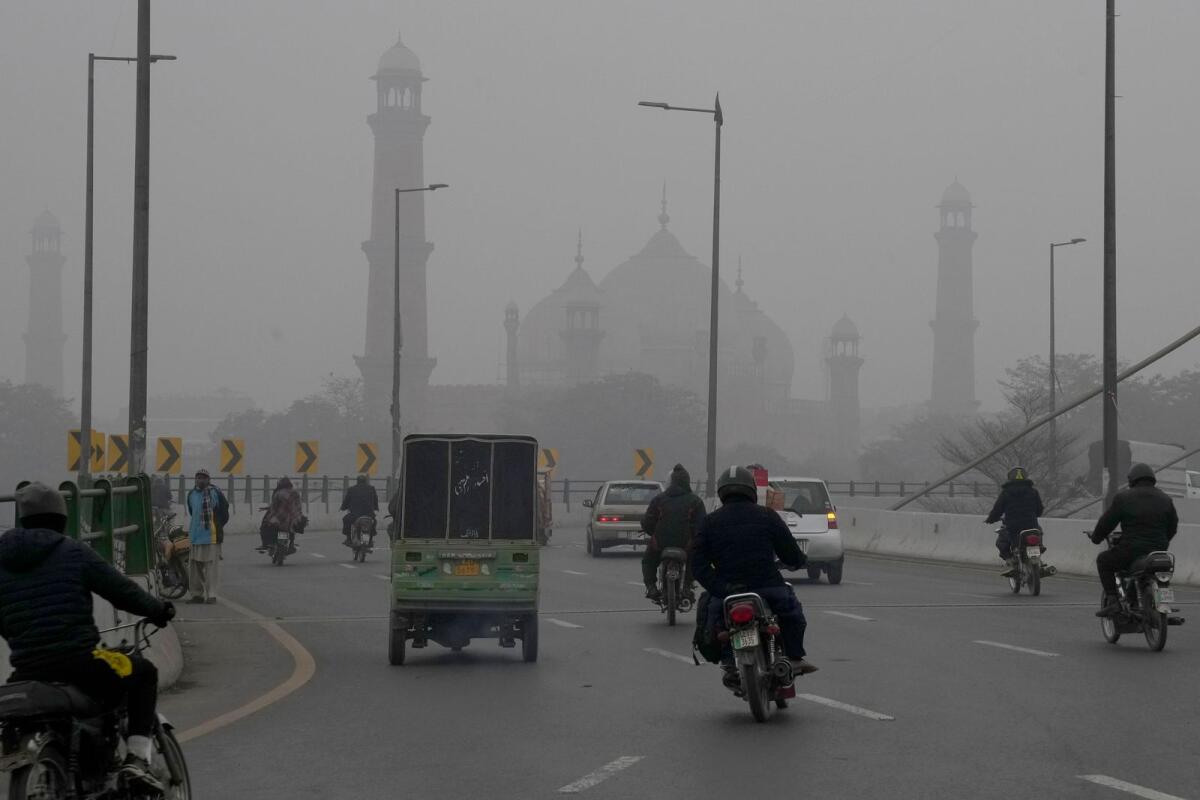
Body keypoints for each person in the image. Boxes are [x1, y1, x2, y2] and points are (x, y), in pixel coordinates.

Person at [0, 482, 175, 793]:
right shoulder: (73, 551)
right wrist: (158, 609)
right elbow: (121, 591)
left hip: (27, 669)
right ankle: (137, 759)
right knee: (144, 672)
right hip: (79, 661)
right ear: (61, 518)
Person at [691, 465, 818, 687]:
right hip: (769, 587)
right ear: (750, 490)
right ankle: (795, 658)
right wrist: (799, 562)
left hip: (728, 592)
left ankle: (729, 662)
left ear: (722, 492)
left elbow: (698, 564)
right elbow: (790, 552)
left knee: (717, 623)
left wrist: (720, 587)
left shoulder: (710, 522)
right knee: (792, 614)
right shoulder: (767, 516)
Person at [1089, 463, 1179, 618]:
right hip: (1158, 551)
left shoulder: (1124, 498)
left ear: (1132, 480)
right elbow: (1173, 526)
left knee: (1104, 561)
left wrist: (1096, 537)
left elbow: (1107, 522)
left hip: (1132, 549)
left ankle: (1113, 603)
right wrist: (1161, 542)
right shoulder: (1165, 499)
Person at [640, 464, 706, 602]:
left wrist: (654, 533)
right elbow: (702, 526)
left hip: (660, 544)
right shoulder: (695, 501)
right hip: (686, 545)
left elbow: (647, 522)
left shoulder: (658, 499)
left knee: (648, 561)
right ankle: (687, 586)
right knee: (696, 559)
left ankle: (651, 587)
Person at [984, 466, 1045, 577]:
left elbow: (998, 509)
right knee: (1038, 533)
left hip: (1013, 525)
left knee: (1002, 541)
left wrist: (990, 519)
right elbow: (1039, 509)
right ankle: (1040, 553)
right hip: (1031, 523)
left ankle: (1011, 563)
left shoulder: (1006, 492)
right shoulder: (1033, 492)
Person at [186, 469, 228, 605]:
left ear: (208, 480)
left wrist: (217, 525)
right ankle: (196, 595)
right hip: (195, 536)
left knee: (211, 568)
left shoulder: (215, 493)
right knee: (194, 567)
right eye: (198, 477)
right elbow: (193, 512)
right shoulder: (191, 494)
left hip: (211, 536)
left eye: (204, 478)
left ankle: (211, 595)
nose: (201, 480)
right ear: (195, 480)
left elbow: (224, 512)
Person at [261, 477, 304, 552]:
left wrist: (270, 514)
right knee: (294, 528)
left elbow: (274, 506)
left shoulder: (278, 493)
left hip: (280, 517)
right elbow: (299, 506)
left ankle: (267, 544)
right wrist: (298, 515)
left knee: (265, 525)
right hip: (293, 517)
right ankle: (291, 543)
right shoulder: (295, 493)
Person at [340, 474, 379, 546]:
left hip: (355, 515)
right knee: (373, 522)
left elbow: (346, 500)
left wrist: (343, 508)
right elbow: (375, 500)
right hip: (368, 514)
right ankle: (370, 540)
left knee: (346, 520)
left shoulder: (352, 489)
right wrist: (376, 508)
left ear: (357, 481)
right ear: (366, 481)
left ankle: (348, 538)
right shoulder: (371, 488)